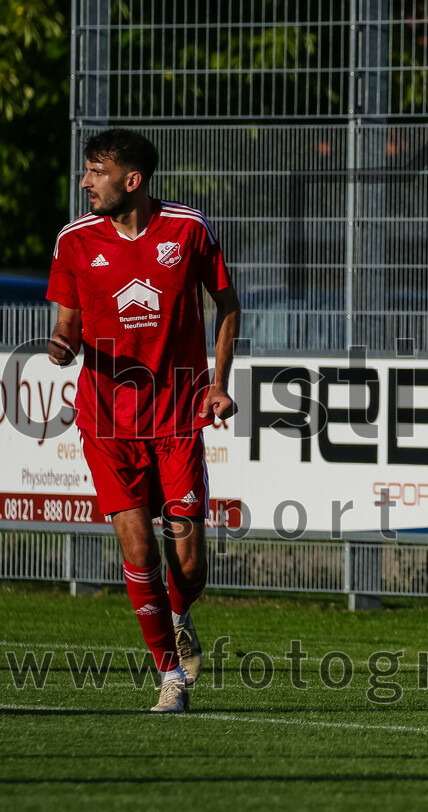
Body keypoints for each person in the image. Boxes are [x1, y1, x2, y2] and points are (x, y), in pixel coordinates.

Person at [47, 129, 240, 713]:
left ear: (131, 181)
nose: (85, 183)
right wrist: (61, 344)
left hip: (178, 415)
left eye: (95, 172)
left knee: (188, 560)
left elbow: (227, 304)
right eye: (85, 171)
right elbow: (67, 320)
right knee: (139, 554)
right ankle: (171, 677)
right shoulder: (75, 241)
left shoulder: (188, 229)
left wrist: (217, 384)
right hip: (105, 420)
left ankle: (180, 616)